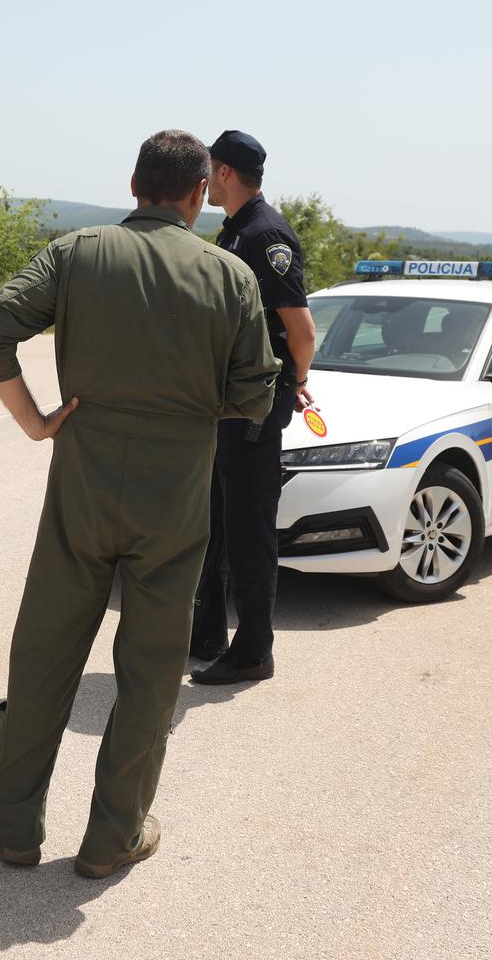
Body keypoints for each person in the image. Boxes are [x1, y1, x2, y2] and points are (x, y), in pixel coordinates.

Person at [0, 130, 279, 878]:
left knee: (45, 649)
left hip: (84, 480)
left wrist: (37, 422)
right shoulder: (229, 274)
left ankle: (12, 825)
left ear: (134, 183)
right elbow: (254, 393)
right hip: (176, 494)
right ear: (199, 193)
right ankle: (113, 837)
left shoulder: (76, 253)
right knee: (151, 664)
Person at [190, 130, 317, 686]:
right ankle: (210, 630)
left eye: (211, 171)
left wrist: (295, 378)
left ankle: (255, 651)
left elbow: (301, 329)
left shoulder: (266, 236)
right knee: (218, 522)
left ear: (223, 173)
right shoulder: (237, 230)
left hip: (253, 409)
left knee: (248, 530)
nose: (207, 182)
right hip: (231, 404)